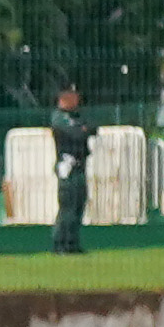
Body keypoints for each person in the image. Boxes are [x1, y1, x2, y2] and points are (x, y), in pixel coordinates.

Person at [47, 84, 97, 256]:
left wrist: (83, 130)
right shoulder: (59, 118)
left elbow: (92, 128)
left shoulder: (77, 116)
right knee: (67, 205)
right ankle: (60, 243)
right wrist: (82, 130)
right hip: (67, 166)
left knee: (79, 204)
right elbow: (76, 134)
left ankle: (72, 242)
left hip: (80, 165)